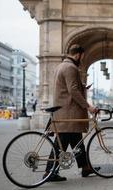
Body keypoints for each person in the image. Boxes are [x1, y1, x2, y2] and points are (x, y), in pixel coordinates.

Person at [44, 44, 98, 182]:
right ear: (78, 55)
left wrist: (83, 86)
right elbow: (72, 90)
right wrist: (88, 106)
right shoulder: (71, 67)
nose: (82, 59)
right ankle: (49, 172)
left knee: (77, 141)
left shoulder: (62, 66)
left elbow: (68, 87)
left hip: (65, 111)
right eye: (82, 56)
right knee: (60, 144)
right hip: (68, 112)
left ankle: (85, 167)